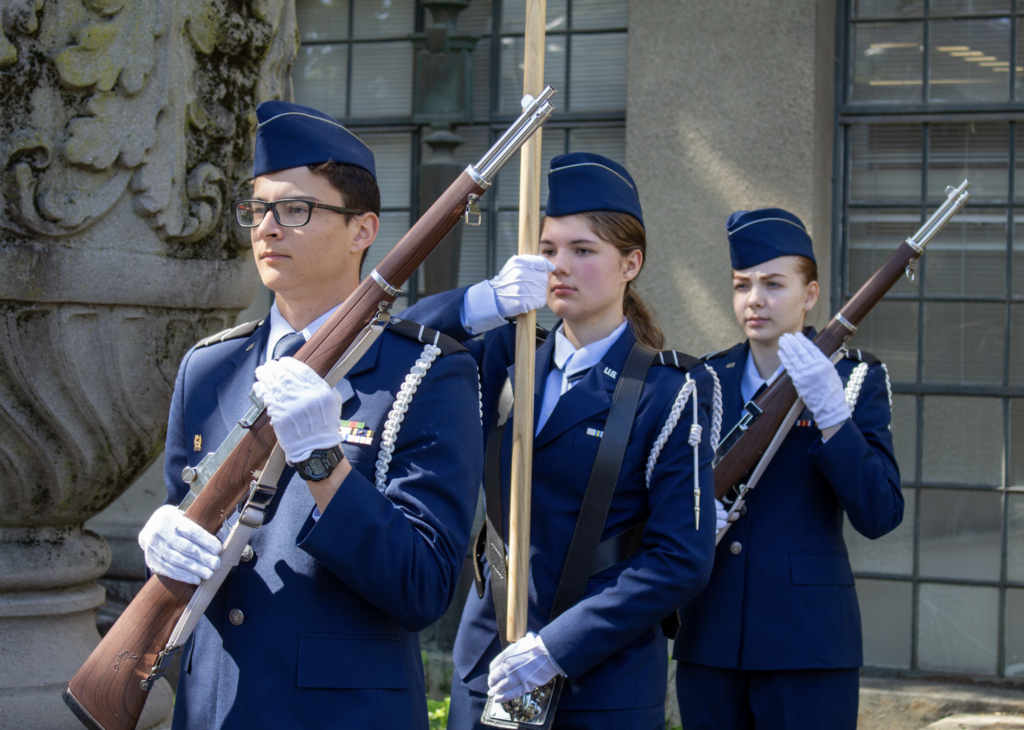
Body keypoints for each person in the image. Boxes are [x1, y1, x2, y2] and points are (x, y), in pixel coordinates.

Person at [136, 100, 483, 730]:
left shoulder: (428, 372)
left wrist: (325, 463)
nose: (267, 228)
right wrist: (161, 538)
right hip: (214, 707)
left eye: (295, 209)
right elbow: (191, 515)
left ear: (363, 229)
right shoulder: (209, 367)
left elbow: (423, 587)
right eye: (257, 210)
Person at [403, 152, 720, 730]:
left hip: (600, 678)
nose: (560, 267)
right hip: (491, 661)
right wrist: (484, 302)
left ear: (631, 264)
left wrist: (558, 647)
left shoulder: (670, 387)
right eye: (548, 250)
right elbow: (399, 342)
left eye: (583, 251)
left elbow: (682, 560)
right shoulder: (507, 355)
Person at [672, 208, 904, 730]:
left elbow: (880, 511)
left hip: (809, 646)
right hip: (711, 638)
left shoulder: (854, 380)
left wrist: (832, 417)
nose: (755, 299)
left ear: (811, 294)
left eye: (774, 284)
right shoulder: (704, 379)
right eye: (742, 284)